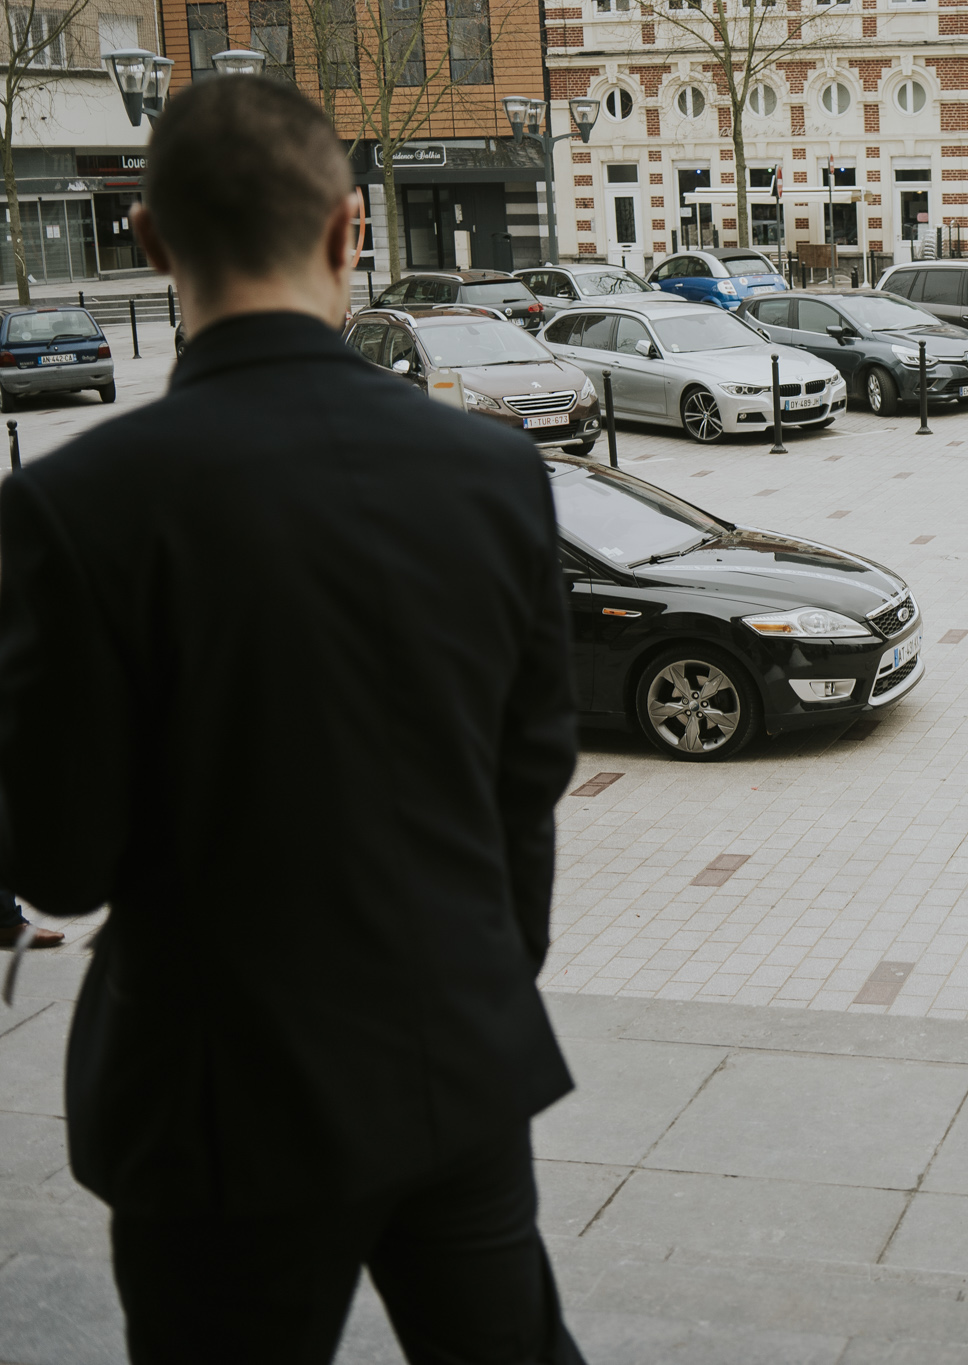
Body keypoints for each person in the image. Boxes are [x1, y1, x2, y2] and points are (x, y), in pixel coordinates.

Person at [0, 77, 584, 1363]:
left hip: (215, 1103)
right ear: (350, 230)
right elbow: (530, 780)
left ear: (151, 244)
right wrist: (477, 976)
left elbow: (58, 865)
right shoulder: (493, 475)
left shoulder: (79, 507)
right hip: (453, 1061)